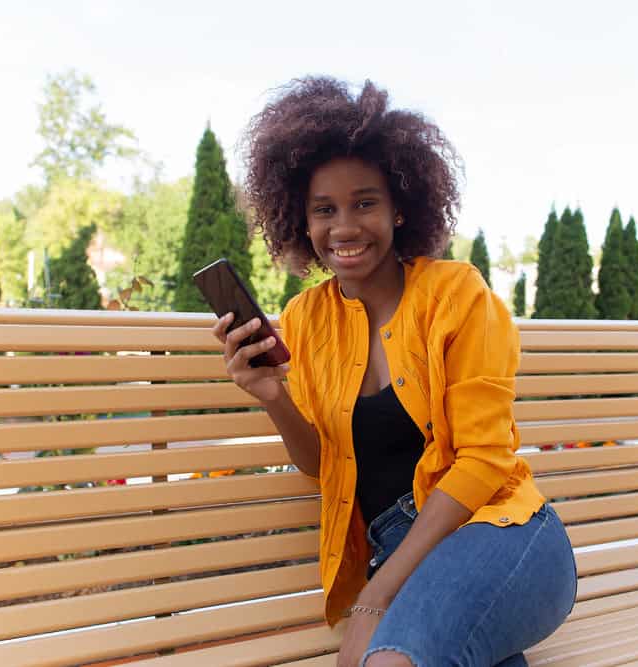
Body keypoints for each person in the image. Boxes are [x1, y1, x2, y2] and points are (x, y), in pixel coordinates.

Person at [212, 77, 577, 667]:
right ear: (300, 222)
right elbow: (319, 462)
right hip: (398, 551)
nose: (345, 227)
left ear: (401, 207)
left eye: (365, 202)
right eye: (323, 210)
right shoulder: (306, 319)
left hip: (501, 534)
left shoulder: (455, 295)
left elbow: (484, 460)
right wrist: (271, 395)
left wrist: (375, 597)